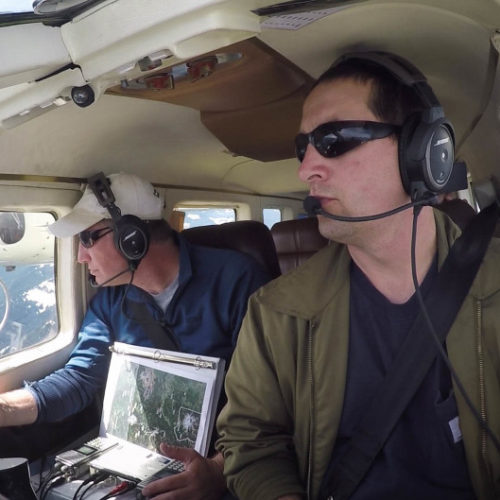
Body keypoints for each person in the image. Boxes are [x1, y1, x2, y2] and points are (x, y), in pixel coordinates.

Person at [216, 52, 500, 499]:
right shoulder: (275, 313)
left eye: (333, 139)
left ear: (421, 154)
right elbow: (251, 442)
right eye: (303, 147)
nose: (305, 168)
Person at [0, 172, 271, 499]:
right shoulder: (110, 302)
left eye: (88, 238)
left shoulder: (237, 281)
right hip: (144, 458)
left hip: (227, 459)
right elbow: (79, 379)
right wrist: (4, 409)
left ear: (133, 237)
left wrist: (217, 470)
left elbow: (270, 402)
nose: (80, 257)